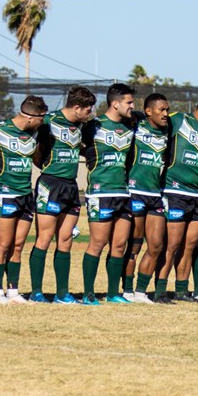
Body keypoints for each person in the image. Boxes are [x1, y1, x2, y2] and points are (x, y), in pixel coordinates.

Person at [30, 86, 97, 304]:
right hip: (50, 184)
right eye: (88, 109)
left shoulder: (81, 125)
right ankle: (37, 292)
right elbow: (32, 146)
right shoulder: (48, 121)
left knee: (66, 240)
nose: (90, 113)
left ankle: (62, 293)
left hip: (70, 186)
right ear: (77, 107)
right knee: (44, 238)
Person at [0, 96, 48, 303]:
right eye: (41, 117)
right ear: (31, 117)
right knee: (3, 244)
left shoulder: (35, 133)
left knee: (18, 244)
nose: (43, 121)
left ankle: (13, 290)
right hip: (5, 195)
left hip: (25, 195)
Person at [163, 94, 198, 302]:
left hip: (197, 195)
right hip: (175, 191)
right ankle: (160, 290)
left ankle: (181, 290)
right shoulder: (178, 120)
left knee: (189, 246)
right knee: (172, 245)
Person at [81, 83, 137, 303]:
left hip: (123, 192)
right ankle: (88, 293)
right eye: (129, 102)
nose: (133, 106)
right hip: (99, 192)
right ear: (115, 103)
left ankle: (114, 293)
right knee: (98, 243)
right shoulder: (93, 126)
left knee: (120, 245)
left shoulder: (129, 127)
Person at [125, 93, 172, 303]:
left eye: (167, 110)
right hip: (135, 191)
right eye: (161, 110)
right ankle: (126, 290)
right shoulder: (136, 125)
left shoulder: (168, 130)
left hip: (155, 194)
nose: (165, 114)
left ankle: (140, 292)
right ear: (148, 111)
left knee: (156, 246)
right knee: (133, 247)